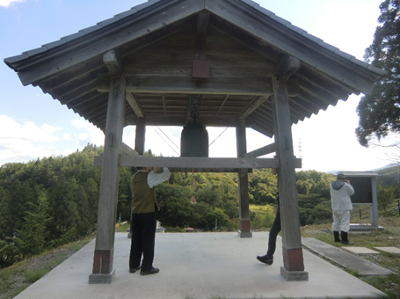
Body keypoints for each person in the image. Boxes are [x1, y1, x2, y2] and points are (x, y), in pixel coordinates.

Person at [129, 166, 170, 275]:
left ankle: (133, 265)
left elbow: (148, 179)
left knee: (136, 239)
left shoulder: (134, 177)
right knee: (148, 240)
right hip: (147, 212)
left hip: (135, 213)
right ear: (146, 166)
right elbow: (166, 176)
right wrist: (165, 166)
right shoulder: (149, 176)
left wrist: (153, 171)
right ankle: (146, 267)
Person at [330, 173, 355, 245]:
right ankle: (344, 240)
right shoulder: (345, 185)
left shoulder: (331, 185)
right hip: (344, 207)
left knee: (336, 222)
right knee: (345, 223)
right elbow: (351, 192)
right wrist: (349, 184)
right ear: (344, 179)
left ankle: (336, 238)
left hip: (335, 206)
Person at [256, 193, 280, 265]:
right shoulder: (281, 189)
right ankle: (269, 256)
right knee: (272, 233)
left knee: (273, 233)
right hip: (280, 214)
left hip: (284, 214)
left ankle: (269, 256)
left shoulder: (286, 188)